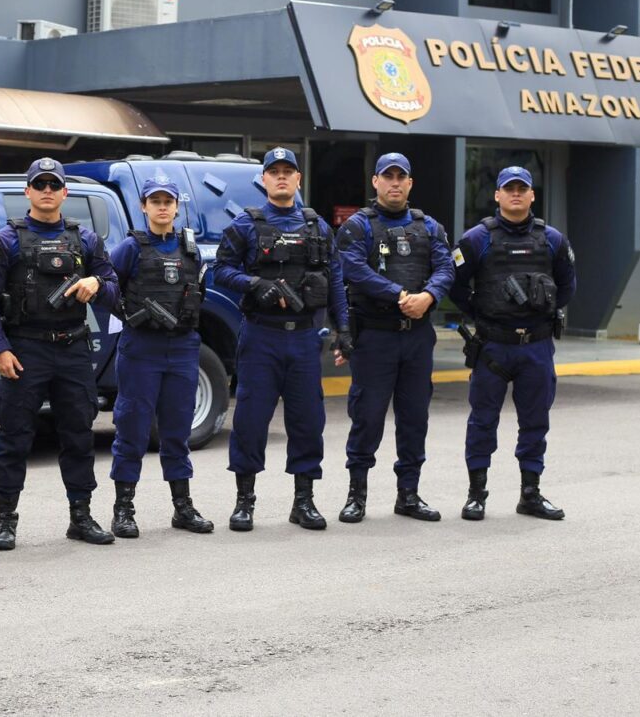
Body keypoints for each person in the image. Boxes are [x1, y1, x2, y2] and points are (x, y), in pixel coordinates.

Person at [0, 158, 120, 548]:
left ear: (64, 193)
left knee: (78, 434)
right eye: (38, 184)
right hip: (25, 349)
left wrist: (95, 280)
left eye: (53, 185)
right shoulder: (5, 240)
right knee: (14, 436)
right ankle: (5, 520)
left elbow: (113, 287)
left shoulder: (86, 240)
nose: (46, 191)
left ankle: (81, 516)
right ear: (27, 192)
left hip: (73, 347)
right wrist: (1, 350)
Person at [213, 147, 352, 531]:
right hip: (261, 337)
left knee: (308, 422)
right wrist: (253, 283)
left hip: (305, 339)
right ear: (264, 179)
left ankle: (303, 502)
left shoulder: (317, 226)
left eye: (288, 171)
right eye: (274, 172)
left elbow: (336, 279)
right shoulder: (246, 224)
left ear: (298, 179)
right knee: (251, 421)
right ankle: (245, 502)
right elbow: (220, 270)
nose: (281, 177)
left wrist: (344, 330)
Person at [450, 166, 576, 521]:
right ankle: (477, 494)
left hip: (535, 346)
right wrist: (481, 310)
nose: (516, 194)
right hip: (493, 346)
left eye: (523, 188)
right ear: (498, 196)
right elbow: (456, 285)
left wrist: (543, 311)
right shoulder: (477, 239)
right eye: (509, 189)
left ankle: (530, 494)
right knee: (482, 421)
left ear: (532, 195)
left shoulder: (552, 239)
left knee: (535, 421)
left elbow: (567, 286)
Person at [335, 153, 454, 523]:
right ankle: (357, 495)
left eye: (401, 177)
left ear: (410, 183)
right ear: (375, 182)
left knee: (414, 417)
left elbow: (446, 266)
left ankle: (409, 494)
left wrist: (430, 296)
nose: (395, 183)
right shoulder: (358, 226)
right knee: (367, 416)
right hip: (376, 337)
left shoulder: (429, 227)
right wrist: (400, 296)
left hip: (417, 338)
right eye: (388, 176)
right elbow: (352, 269)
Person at [106, 176, 214, 538]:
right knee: (132, 429)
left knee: (177, 431)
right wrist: (127, 311)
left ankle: (182, 508)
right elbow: (105, 283)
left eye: (168, 200)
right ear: (144, 206)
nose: (163, 206)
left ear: (177, 206)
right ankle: (123, 509)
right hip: (142, 349)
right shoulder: (131, 248)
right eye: (156, 201)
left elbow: (198, 292)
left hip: (182, 348)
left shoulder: (190, 248)